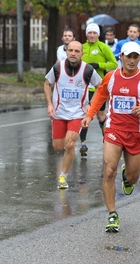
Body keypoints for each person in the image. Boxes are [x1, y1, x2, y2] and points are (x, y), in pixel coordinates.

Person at [81, 42, 140, 232]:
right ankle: (112, 214)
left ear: (139, 58)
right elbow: (100, 96)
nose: (131, 60)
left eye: (135, 57)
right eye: (128, 56)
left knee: (133, 177)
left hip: (136, 133)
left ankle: (127, 177)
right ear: (121, 57)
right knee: (108, 170)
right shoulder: (111, 77)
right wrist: (89, 115)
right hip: (113, 130)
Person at [44, 41, 102, 189]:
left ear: (82, 54)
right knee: (58, 147)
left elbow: (100, 87)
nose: (73, 53)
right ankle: (67, 155)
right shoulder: (58, 67)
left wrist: (91, 104)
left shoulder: (88, 70)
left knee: (70, 144)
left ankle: (63, 176)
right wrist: (50, 104)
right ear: (66, 52)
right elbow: (46, 83)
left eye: (77, 51)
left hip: (78, 113)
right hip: (59, 113)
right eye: (70, 50)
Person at [80, 23, 118, 156]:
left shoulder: (103, 47)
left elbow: (114, 63)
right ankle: (83, 143)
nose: (91, 35)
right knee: (85, 115)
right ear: (86, 34)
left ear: (98, 34)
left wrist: (99, 65)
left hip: (99, 87)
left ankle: (106, 140)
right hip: (83, 88)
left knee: (100, 115)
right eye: (89, 33)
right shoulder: (82, 47)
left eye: (94, 33)